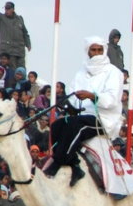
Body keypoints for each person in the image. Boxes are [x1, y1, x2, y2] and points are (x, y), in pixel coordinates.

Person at [44, 37, 124, 186]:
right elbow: (73, 93)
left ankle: (57, 162)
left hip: (103, 118)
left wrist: (92, 96)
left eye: (100, 50)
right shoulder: (81, 72)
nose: (97, 53)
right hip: (80, 115)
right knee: (57, 125)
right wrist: (73, 104)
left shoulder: (114, 72)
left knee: (77, 126)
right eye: (94, 50)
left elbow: (112, 99)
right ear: (88, 51)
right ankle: (74, 164)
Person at [0, 1, 32, 70]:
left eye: (8, 9)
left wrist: (28, 44)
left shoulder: (19, 19)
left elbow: (25, 33)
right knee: (12, 70)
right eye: (5, 9)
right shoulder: (1, 18)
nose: (6, 11)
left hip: (20, 50)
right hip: (8, 51)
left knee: (22, 69)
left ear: (13, 9)